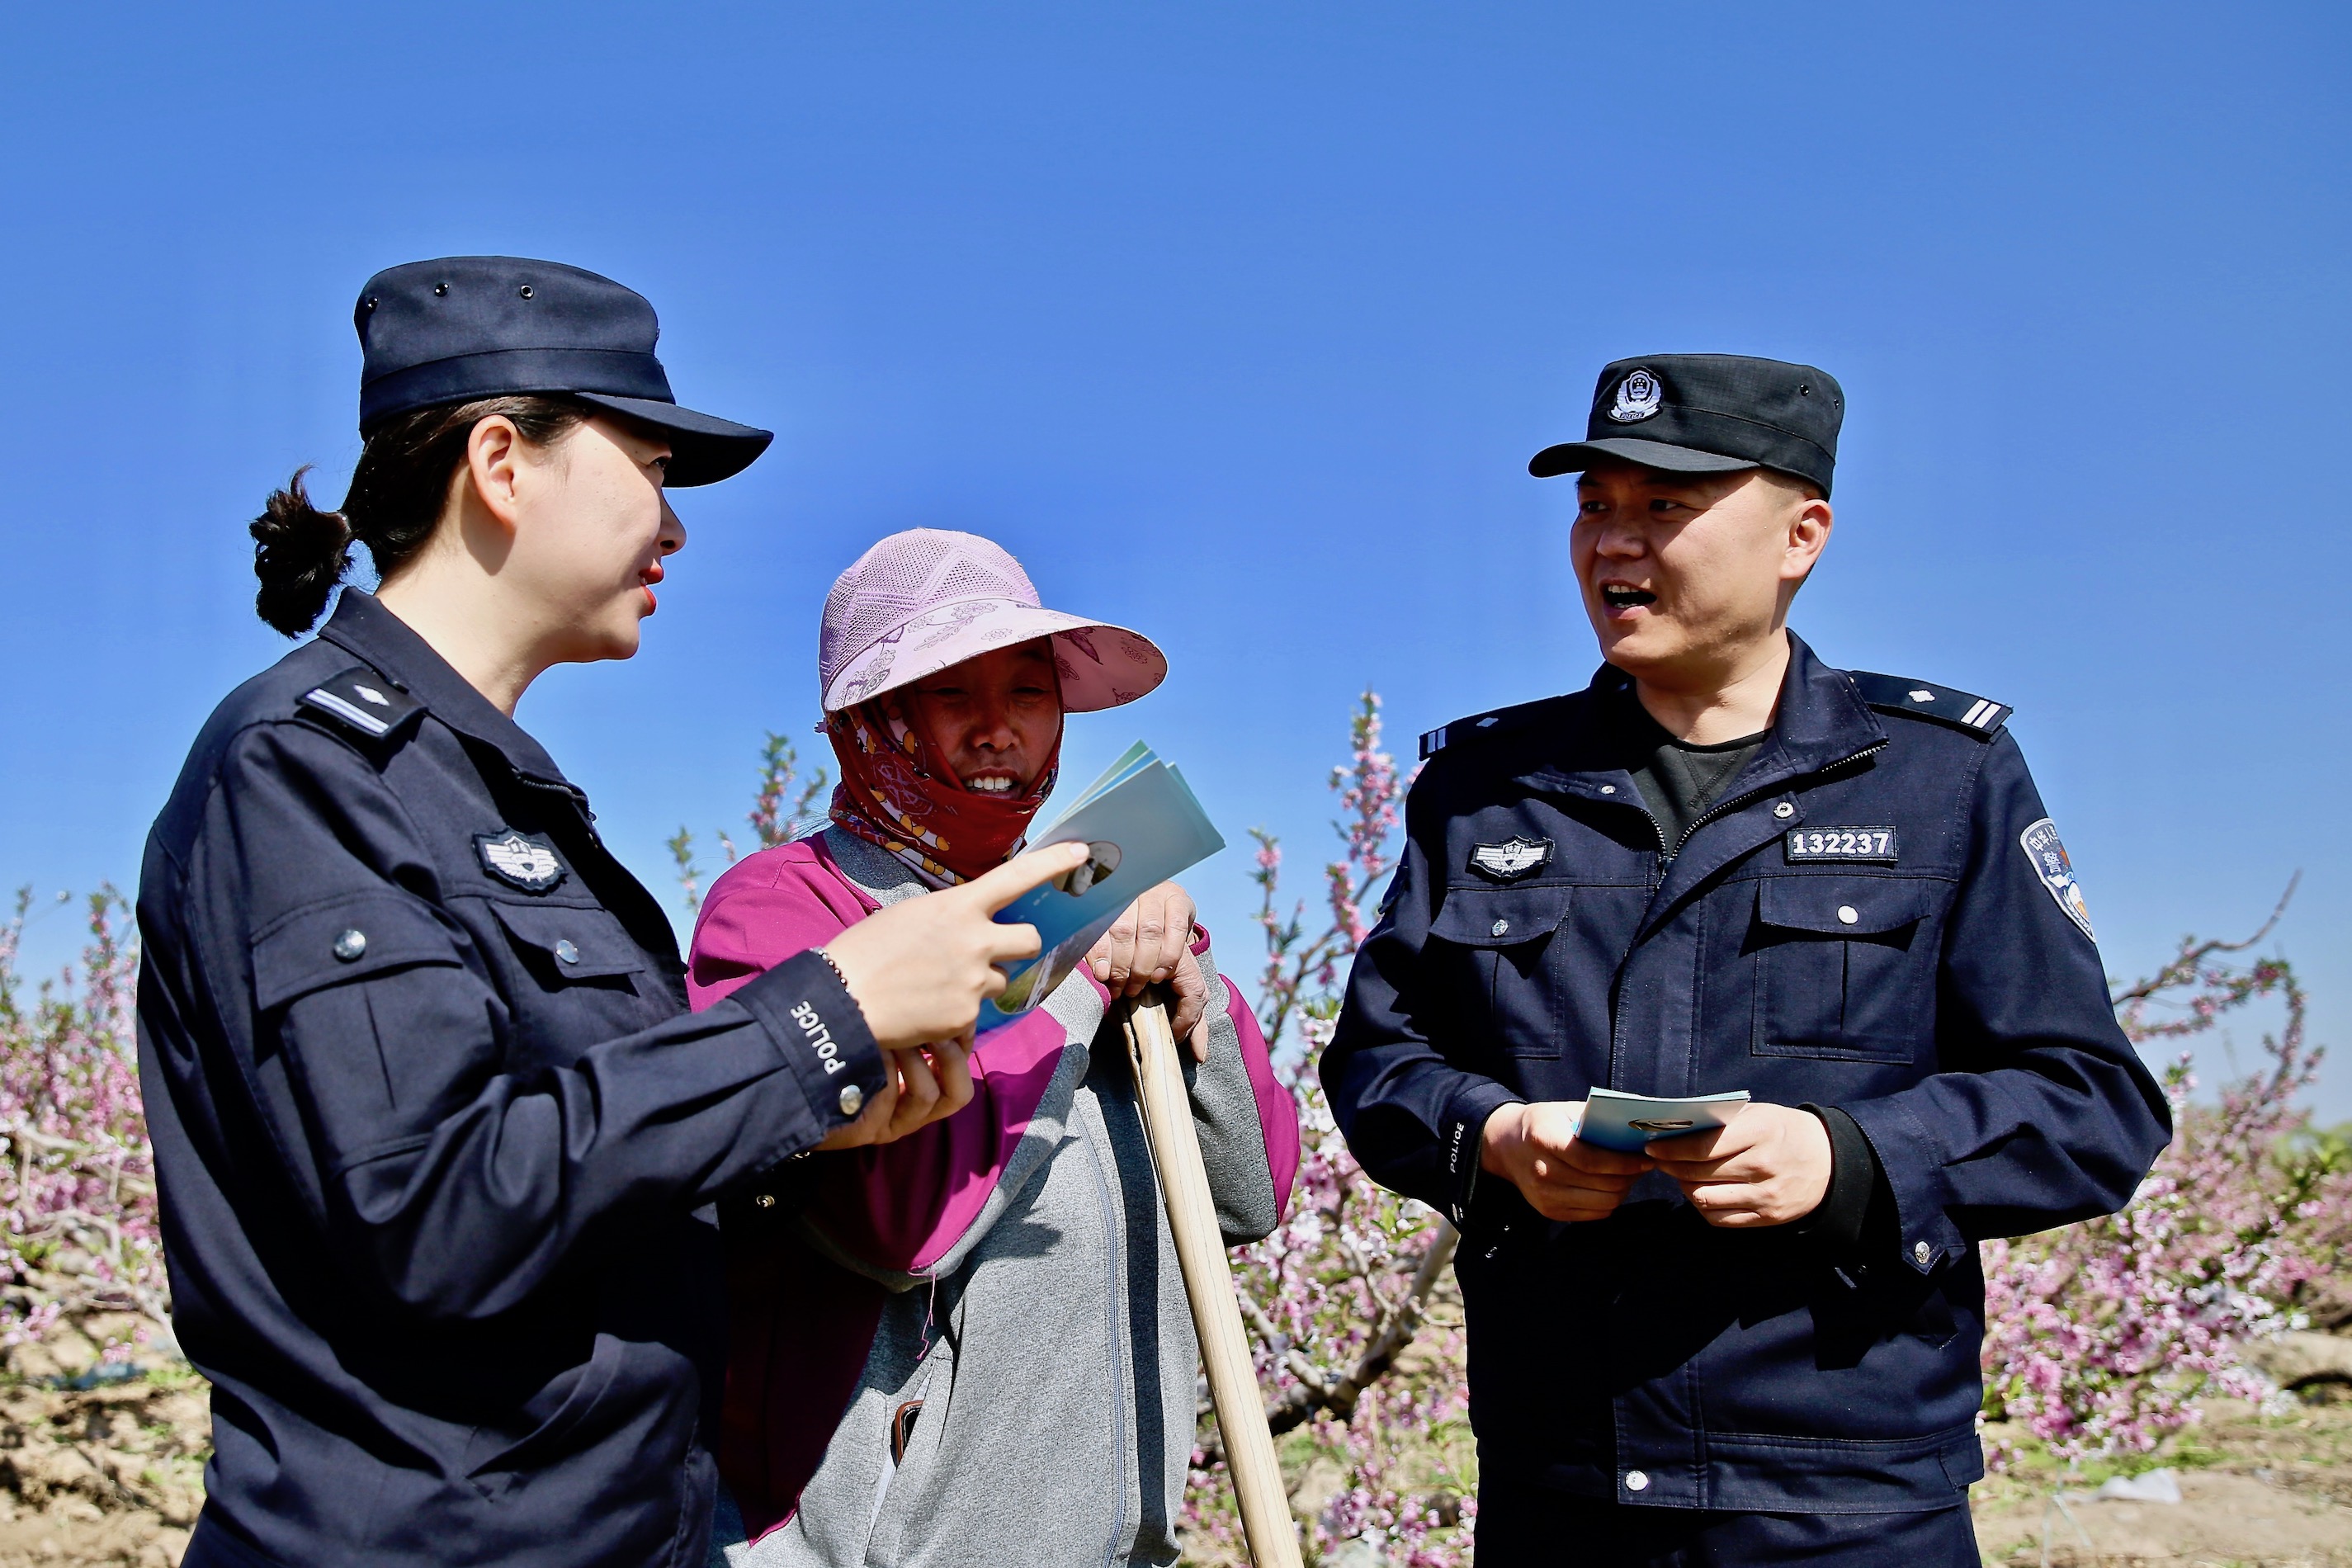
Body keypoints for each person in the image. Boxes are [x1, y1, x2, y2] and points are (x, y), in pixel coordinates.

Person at [135, 259, 1093, 1568]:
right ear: (501, 461)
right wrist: (824, 1016)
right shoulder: (304, 773)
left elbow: (586, 1179)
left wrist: (816, 1126)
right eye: (648, 464)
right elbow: (424, 1209)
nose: (676, 525)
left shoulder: (517, 811)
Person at [1320, 355, 2170, 1566]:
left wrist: (1852, 1158)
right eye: (1594, 505)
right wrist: (1494, 1142)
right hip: (1560, 1487)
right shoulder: (1482, 791)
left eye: (1665, 507)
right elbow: (1377, 1063)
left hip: (1841, 1503)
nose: (1614, 544)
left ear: (1800, 535)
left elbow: (2092, 1106)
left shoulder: (1941, 779)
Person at [689, 529, 1300, 1567]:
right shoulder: (785, 909)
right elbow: (895, 1227)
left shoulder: (1101, 917)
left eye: (1026, 692)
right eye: (947, 694)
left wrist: (1198, 995)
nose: (997, 731)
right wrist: (1049, 957)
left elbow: (1249, 1193)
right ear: (868, 723)